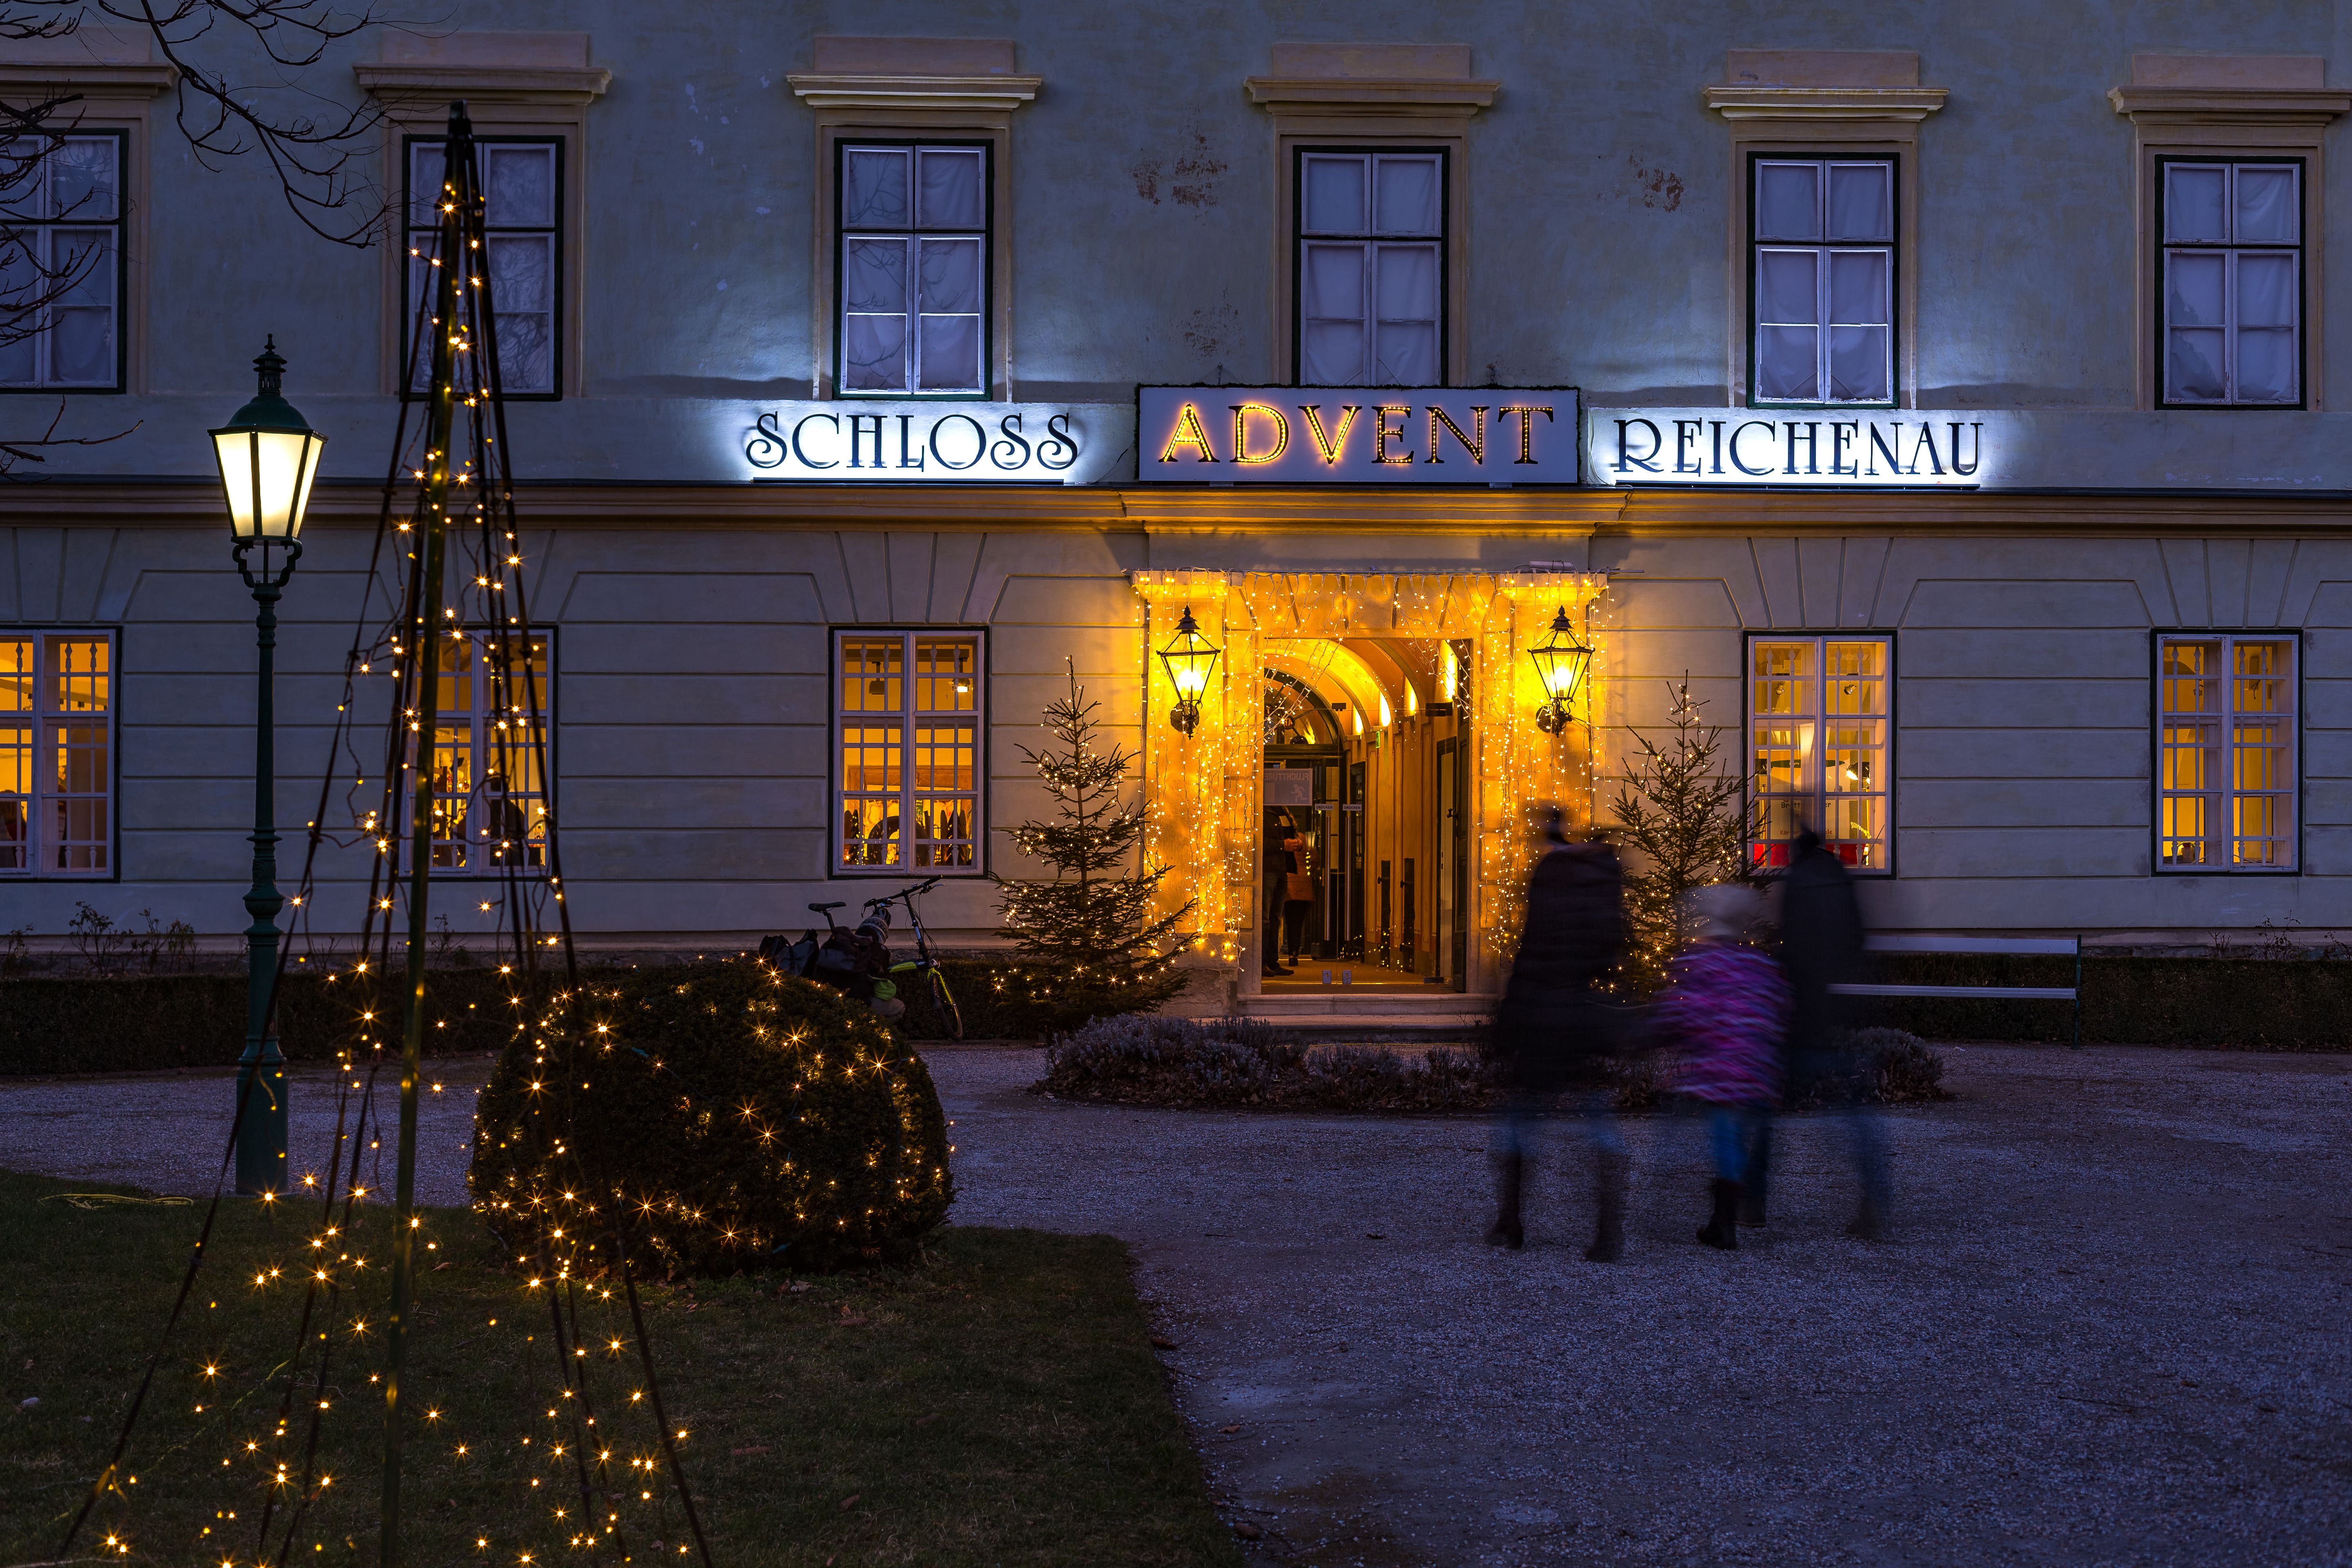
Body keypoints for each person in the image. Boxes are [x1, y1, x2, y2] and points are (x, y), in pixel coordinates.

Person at [1486, 808, 1629, 1261]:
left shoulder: (1550, 875)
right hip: (1583, 1015)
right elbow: (1611, 951)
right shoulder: (1603, 876)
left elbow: (1532, 953)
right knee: (1598, 1123)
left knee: (1520, 1122)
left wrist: (1506, 1029)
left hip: (1542, 1013)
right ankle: (1608, 1228)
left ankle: (1511, 1220)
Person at [1759, 827, 1893, 1239]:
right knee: (1855, 1112)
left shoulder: (1797, 881)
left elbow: (1792, 947)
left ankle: (1751, 1200)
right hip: (1838, 1013)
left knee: (1763, 1107)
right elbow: (1857, 940)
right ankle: (1875, 1199)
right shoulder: (1840, 878)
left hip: (1803, 1013)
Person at [1655, 883, 1789, 1251]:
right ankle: (1723, 1217)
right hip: (1758, 1070)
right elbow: (1780, 1010)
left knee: (1726, 1141)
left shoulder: (1700, 961)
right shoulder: (1761, 964)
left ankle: (1724, 1223)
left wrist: (1660, 1036)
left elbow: (1684, 1013)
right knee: (1737, 1138)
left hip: (1721, 1071)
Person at [1262, 809, 1294, 977]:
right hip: (1268, 870)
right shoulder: (1264, 811)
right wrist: (1283, 845)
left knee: (1275, 919)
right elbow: (1259, 841)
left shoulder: (1284, 811)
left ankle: (1273, 962)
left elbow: (1290, 836)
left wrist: (1296, 843)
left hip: (1282, 870)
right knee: (1265, 919)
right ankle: (1263, 962)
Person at [1280, 817, 1314, 967]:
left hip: (1287, 884)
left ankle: (1283, 953)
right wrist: (1308, 871)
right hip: (1303, 885)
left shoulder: (1282, 841)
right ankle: (1294, 953)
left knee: (1286, 921)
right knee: (1298, 923)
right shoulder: (1304, 839)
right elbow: (1314, 859)